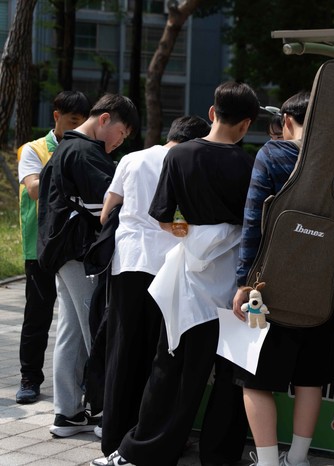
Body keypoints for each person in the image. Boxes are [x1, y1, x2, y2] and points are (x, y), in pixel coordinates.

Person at [92, 81, 259, 466]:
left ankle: (147, 451)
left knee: (173, 369)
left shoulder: (180, 155)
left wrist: (195, 234)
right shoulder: (250, 163)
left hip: (191, 280)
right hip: (238, 279)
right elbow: (257, 223)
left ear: (213, 113)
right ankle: (220, 456)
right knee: (232, 372)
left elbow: (164, 217)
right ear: (246, 124)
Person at [231, 91, 334, 466]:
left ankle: (267, 461)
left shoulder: (272, 154)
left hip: (271, 288)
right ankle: (297, 459)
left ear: (286, 120)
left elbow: (254, 221)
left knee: (255, 378)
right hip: (322, 291)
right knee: (310, 378)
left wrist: (244, 281)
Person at [98, 116, 210, 456]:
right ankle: (147, 435)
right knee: (160, 357)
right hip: (169, 269)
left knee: (122, 351)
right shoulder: (189, 164)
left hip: (129, 263)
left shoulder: (132, 159)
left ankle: (112, 435)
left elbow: (106, 211)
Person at [37, 94, 139, 437]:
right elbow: (107, 207)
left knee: (71, 332)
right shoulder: (84, 152)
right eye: (121, 133)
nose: (120, 142)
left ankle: (68, 413)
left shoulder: (66, 148)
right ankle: (107, 415)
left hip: (62, 253)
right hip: (80, 253)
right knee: (96, 331)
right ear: (105, 119)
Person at [15, 91, 90, 404]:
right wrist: (66, 160)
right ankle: (30, 378)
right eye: (72, 121)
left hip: (75, 247)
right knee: (38, 315)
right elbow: (34, 189)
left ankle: (84, 381)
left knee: (80, 320)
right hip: (41, 247)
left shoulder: (87, 149)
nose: (77, 127)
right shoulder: (33, 150)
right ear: (56, 116)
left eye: (82, 122)